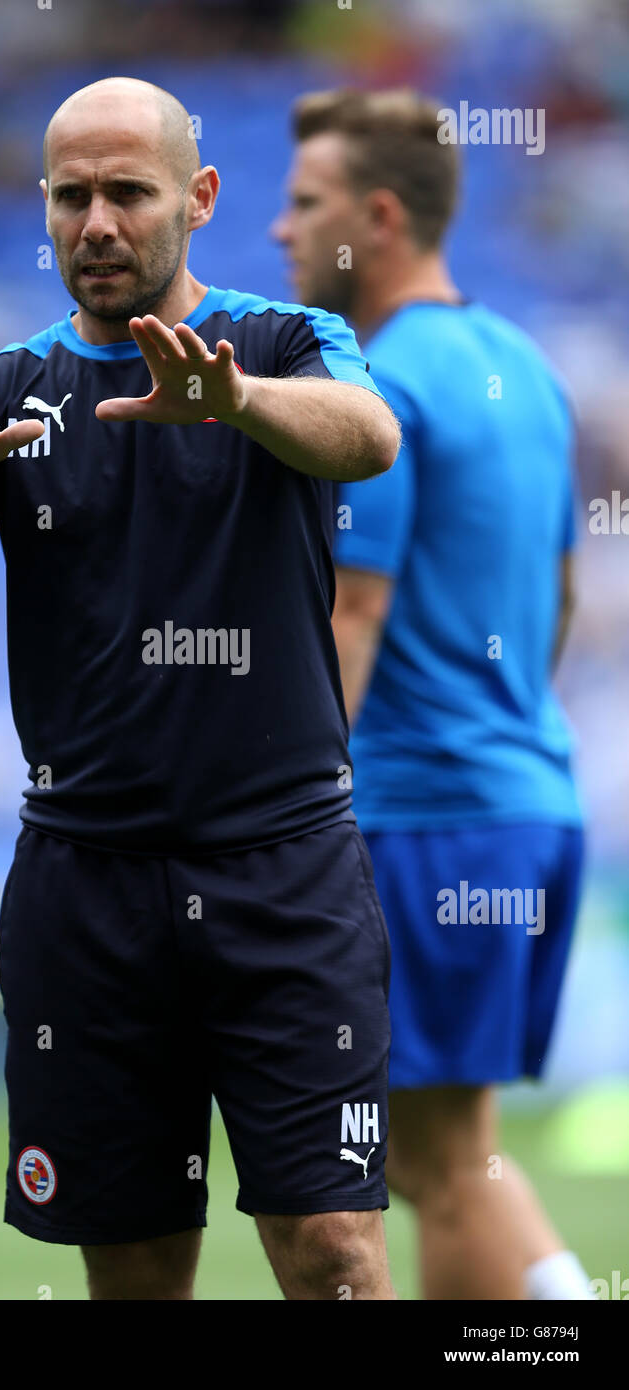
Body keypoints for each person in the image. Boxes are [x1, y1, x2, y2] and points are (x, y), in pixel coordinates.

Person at [0, 77, 400, 1301]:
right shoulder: (7, 385)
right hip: (84, 890)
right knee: (137, 1273)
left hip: (282, 872)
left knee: (335, 1253)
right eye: (70, 196)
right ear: (43, 210)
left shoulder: (282, 341)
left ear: (196, 200)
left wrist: (235, 403)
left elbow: (367, 434)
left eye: (127, 193)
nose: (96, 223)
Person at [272, 86, 593, 1300]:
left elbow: (352, 616)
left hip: (424, 818)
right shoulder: (525, 368)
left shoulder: (382, 392)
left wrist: (285, 809)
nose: (278, 232)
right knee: (436, 1156)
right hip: (527, 799)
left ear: (379, 217)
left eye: (304, 206)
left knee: (442, 1165)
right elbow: (557, 602)